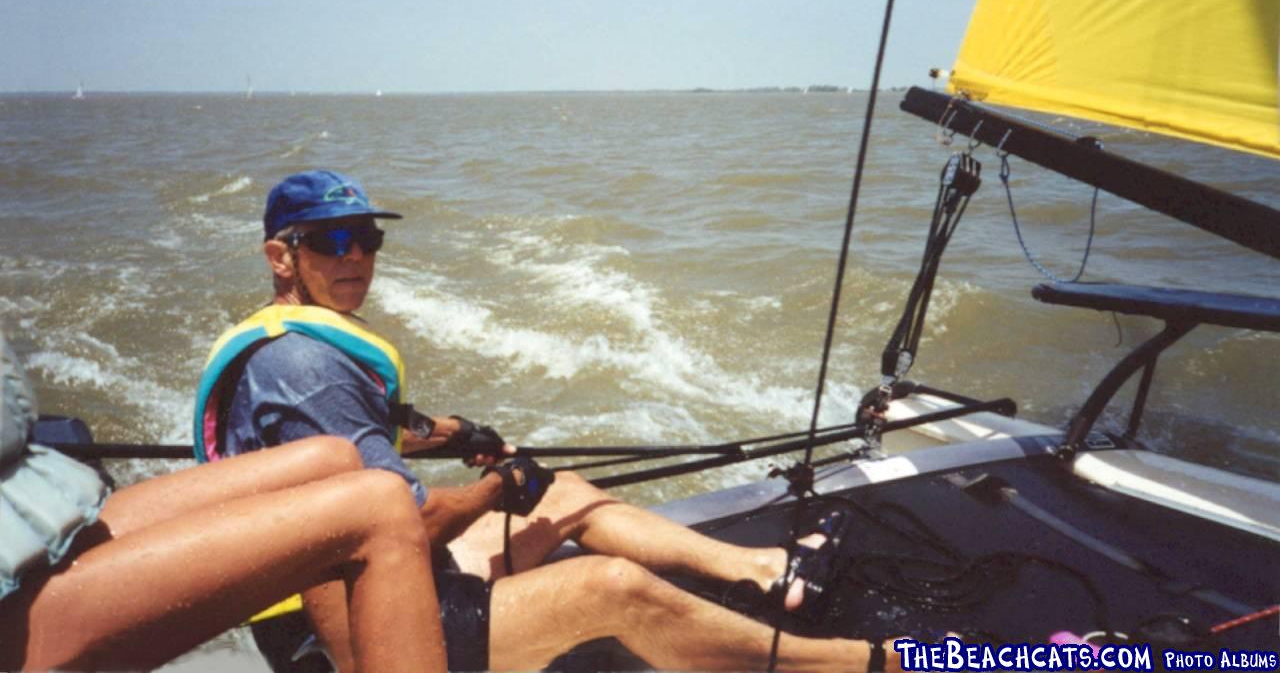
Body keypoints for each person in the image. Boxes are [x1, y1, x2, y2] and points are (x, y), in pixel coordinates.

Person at [200, 169, 904, 672]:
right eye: (330, 241)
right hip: (344, 637)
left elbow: (363, 428)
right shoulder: (304, 366)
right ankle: (856, 664)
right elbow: (397, 531)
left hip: (372, 586)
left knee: (563, 492)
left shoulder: (293, 342)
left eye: (365, 239)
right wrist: (494, 491)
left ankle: (767, 571)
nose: (355, 256)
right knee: (612, 588)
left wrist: (455, 432)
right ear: (280, 255)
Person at [0, 330, 447, 673]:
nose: (352, 255)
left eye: (366, 241)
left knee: (334, 456)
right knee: (383, 504)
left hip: (26, 509)